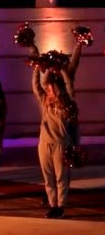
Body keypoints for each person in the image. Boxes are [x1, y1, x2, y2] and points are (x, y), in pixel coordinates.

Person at [32, 67, 75, 218]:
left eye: (51, 91)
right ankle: (52, 205)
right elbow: (37, 85)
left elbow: (69, 87)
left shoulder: (66, 104)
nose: (48, 93)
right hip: (44, 144)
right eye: (47, 91)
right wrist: (41, 69)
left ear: (57, 90)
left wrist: (62, 70)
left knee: (61, 176)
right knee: (48, 176)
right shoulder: (45, 103)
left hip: (61, 144)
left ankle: (61, 206)